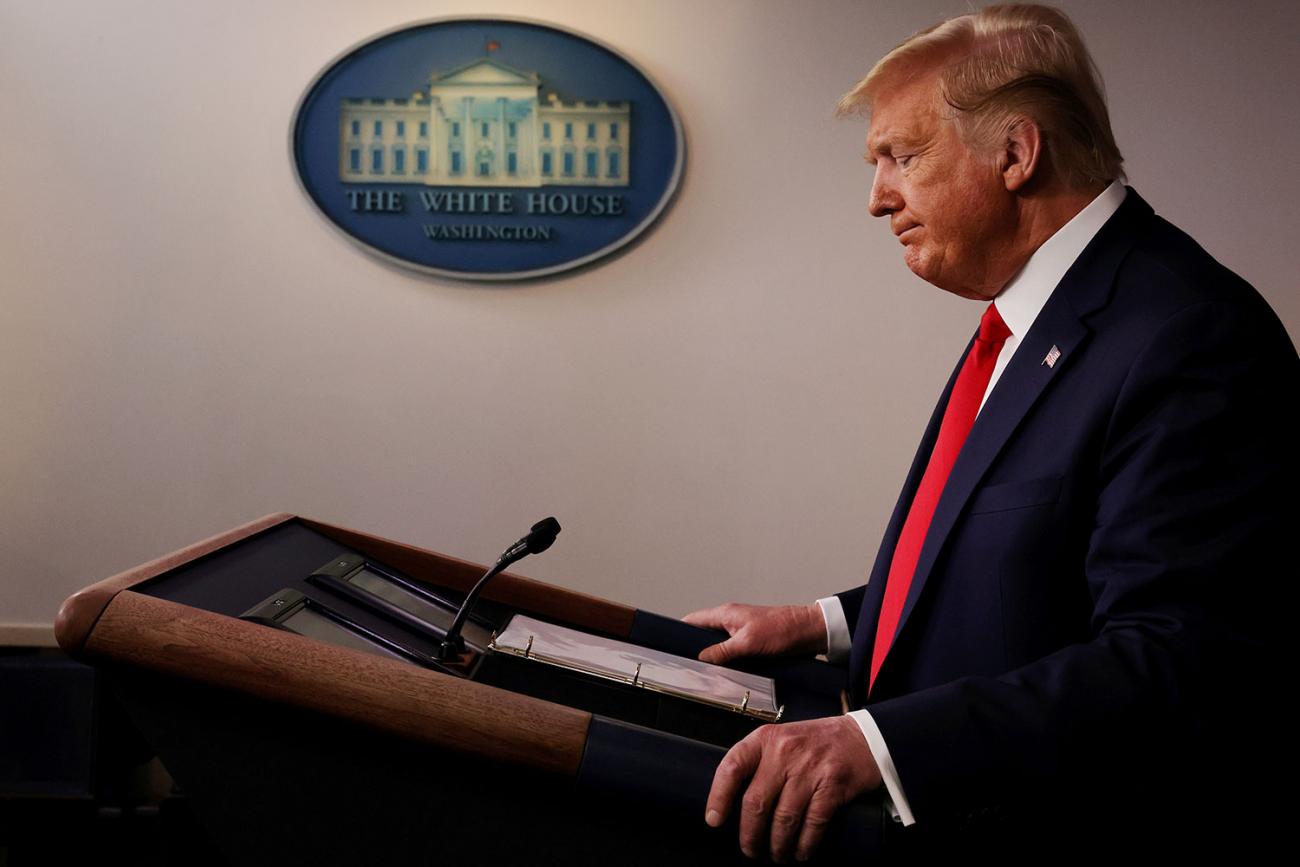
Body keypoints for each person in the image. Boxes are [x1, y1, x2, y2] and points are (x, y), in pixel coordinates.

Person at [684, 4, 1295, 861]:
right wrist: (824, 621)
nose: (876, 198)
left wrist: (882, 746)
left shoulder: (1188, 331)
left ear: (1016, 152)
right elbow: (1042, 576)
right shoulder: (1033, 315)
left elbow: (1180, 656)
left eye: (903, 155)